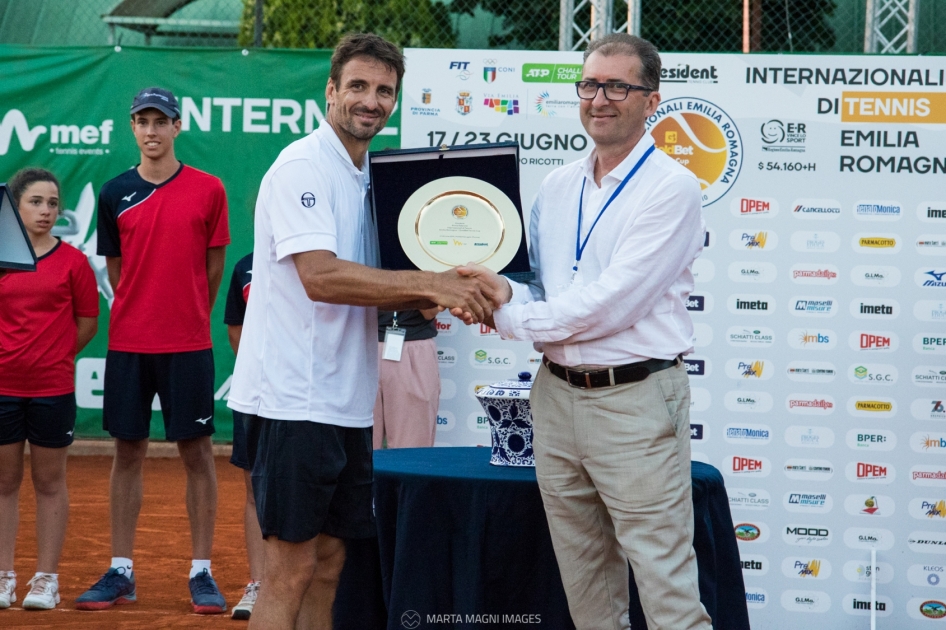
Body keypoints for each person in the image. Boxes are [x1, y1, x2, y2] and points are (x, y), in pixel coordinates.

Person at [227, 33, 500, 630]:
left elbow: (376, 284)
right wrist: (434, 285)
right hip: (295, 402)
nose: (370, 101)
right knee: (288, 571)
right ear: (330, 91)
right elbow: (321, 278)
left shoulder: (364, 176)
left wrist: (440, 286)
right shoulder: (303, 164)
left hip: (344, 403)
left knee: (329, 562)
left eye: (384, 91)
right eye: (357, 86)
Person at [457, 34, 713, 630]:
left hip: (634, 403)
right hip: (554, 397)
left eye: (619, 86)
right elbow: (543, 287)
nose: (601, 99)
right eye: (591, 84)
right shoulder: (558, 185)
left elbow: (610, 304)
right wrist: (492, 289)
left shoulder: (670, 188)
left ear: (652, 101)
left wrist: (507, 314)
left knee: (668, 592)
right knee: (588, 594)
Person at [76, 87, 230, 614]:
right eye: (141, 120)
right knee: (127, 451)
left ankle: (201, 571)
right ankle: (122, 570)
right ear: (132, 126)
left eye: (160, 120)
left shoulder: (209, 189)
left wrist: (185, 313)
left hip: (187, 344)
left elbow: (214, 269)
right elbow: (117, 273)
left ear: (177, 125)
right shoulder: (114, 191)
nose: (151, 130)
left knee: (196, 453)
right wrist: (143, 310)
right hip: (129, 344)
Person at [0, 168, 99, 611]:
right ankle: (4, 578)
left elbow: (87, 323)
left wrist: (54, 355)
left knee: (49, 482)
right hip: (3, 388)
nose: (46, 211)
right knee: (4, 483)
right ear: (15, 207)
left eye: (53, 203)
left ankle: (46, 579)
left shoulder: (74, 262)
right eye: (36, 202)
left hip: (52, 389)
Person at [223, 252, 263, 620]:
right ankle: (258, 584)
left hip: (303, 399)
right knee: (254, 491)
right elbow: (235, 330)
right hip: (254, 396)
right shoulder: (244, 268)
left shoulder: (322, 265)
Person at [373, 308, 441, 449]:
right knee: (354, 454)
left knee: (411, 453)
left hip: (413, 345)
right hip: (357, 344)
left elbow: (430, 310)